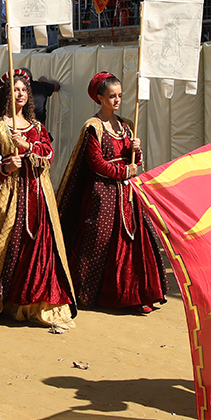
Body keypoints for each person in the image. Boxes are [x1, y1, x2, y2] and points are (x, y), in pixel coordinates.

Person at [0, 68, 76, 330]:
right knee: (8, 247)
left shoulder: (38, 128)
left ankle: (36, 301)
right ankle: (6, 299)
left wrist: (28, 146)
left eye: (23, 90)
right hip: (8, 199)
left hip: (37, 195)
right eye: (15, 90)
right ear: (6, 95)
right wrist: (7, 166)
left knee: (39, 247)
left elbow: (48, 154)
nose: (20, 94)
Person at [56, 73, 167, 313]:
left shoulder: (126, 125)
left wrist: (136, 151)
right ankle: (89, 291)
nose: (117, 100)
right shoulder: (93, 127)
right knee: (98, 241)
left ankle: (131, 293)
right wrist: (125, 170)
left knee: (132, 242)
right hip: (102, 194)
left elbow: (137, 162)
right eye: (111, 96)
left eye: (119, 96)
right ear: (100, 98)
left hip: (127, 196)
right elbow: (95, 162)